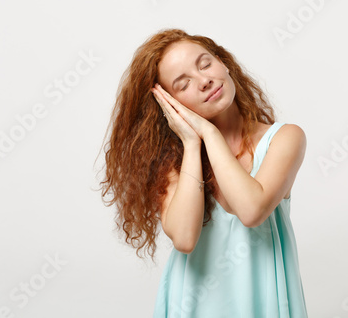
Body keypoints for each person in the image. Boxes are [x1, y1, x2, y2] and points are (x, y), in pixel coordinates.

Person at [97, 28, 308, 317]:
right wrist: (191, 143)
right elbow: (184, 239)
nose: (205, 81)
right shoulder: (175, 163)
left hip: (263, 302)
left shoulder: (285, 139)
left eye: (205, 64)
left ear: (225, 63)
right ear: (170, 105)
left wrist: (209, 132)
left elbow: (251, 210)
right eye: (183, 85)